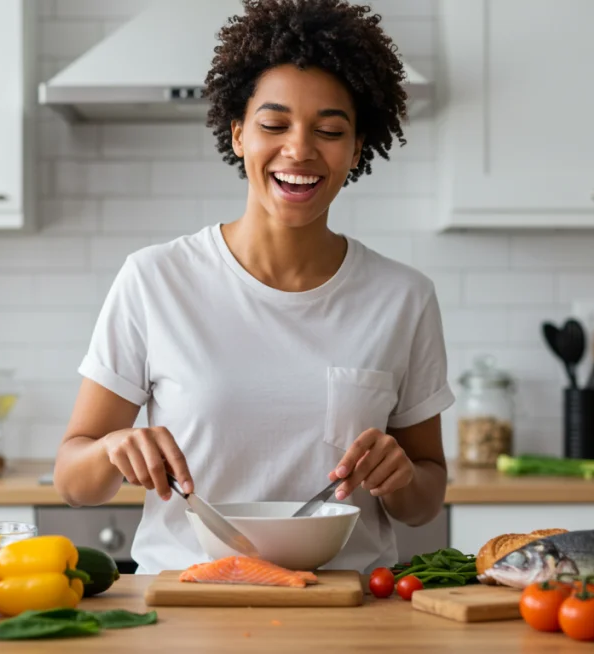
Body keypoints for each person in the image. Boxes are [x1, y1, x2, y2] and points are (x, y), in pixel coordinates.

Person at [53, 0, 454, 575]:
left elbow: (425, 500)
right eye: (273, 124)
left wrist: (402, 478)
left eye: (331, 130)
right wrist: (113, 450)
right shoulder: (155, 279)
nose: (300, 150)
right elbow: (73, 480)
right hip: (188, 609)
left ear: (358, 147)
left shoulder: (403, 298)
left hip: (345, 614)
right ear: (238, 134)